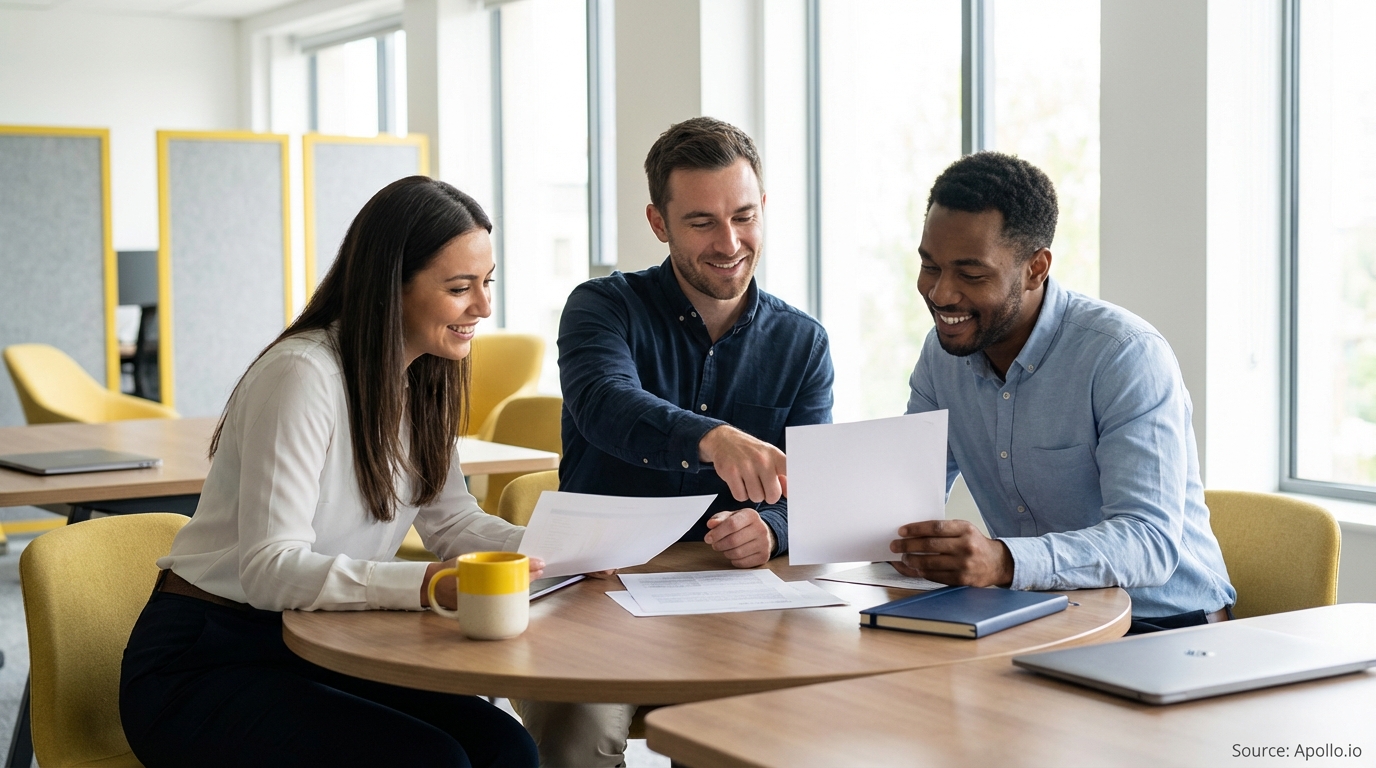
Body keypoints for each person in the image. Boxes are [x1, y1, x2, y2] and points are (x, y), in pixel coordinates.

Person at [120, 177, 541, 768]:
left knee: (507, 746)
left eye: (487, 283)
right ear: (390, 286)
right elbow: (269, 571)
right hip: (208, 659)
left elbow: (453, 523)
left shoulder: (421, 376)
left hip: (324, 641)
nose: (484, 307)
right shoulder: (302, 375)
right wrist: (422, 586)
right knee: (431, 760)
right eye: (459, 288)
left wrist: (560, 549)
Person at [513, 117, 834, 766]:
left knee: (759, 732)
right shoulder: (601, 308)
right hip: (593, 591)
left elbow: (812, 492)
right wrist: (712, 439)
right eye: (701, 222)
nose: (730, 242)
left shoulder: (803, 343)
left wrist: (771, 527)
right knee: (578, 735)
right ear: (659, 223)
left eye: (744, 216)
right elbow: (605, 406)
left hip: (731, 604)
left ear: (764, 208)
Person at [890, 151, 1236, 634]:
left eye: (970, 275)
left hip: (1165, 626)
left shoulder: (1124, 355)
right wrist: (783, 526)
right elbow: (901, 497)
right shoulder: (941, 355)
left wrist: (1005, 561)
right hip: (1043, 616)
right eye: (930, 266)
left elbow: (1149, 542)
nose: (942, 294)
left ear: (1036, 268)